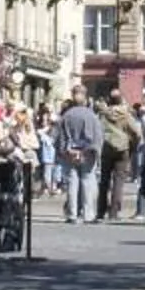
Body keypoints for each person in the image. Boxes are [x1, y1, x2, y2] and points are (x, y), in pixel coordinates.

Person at [53, 89, 101, 224]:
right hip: (88, 152)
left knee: (72, 183)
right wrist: (96, 151)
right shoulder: (91, 116)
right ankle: (88, 214)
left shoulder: (66, 116)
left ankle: (72, 214)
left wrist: (62, 151)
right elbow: (98, 136)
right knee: (88, 181)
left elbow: (58, 136)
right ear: (85, 100)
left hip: (69, 152)